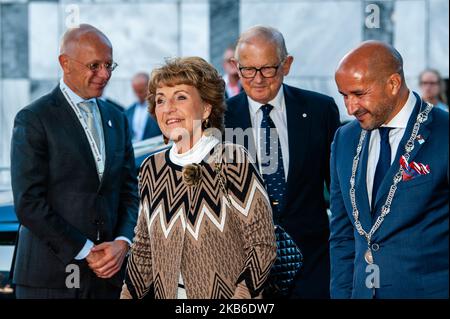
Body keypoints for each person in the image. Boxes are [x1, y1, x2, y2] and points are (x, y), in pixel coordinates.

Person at [120, 56, 277, 299]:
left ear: (206, 108)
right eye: (160, 100)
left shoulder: (233, 160)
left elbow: (262, 246)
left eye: (180, 97)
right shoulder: (152, 166)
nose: (168, 107)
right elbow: (143, 251)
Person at [10, 24, 139, 299]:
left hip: (109, 279)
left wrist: (122, 242)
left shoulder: (117, 118)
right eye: (94, 65)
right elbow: (28, 202)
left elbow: (129, 191)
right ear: (65, 63)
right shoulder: (34, 118)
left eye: (108, 65)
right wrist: (85, 250)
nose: (104, 74)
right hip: (49, 281)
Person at [225, 25, 341, 299]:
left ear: (286, 65)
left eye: (268, 69)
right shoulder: (219, 117)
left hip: (312, 266)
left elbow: (337, 190)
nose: (257, 79)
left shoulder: (320, 110)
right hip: (243, 272)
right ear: (235, 66)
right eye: (247, 69)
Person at [330, 40, 449, 298]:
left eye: (359, 94)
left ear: (393, 84)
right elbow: (341, 236)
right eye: (344, 96)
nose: (350, 108)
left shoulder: (444, 132)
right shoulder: (344, 139)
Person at [126, 72, 162, 142]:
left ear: (149, 88)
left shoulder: (160, 109)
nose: (138, 94)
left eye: (141, 91)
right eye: (135, 91)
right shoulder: (128, 112)